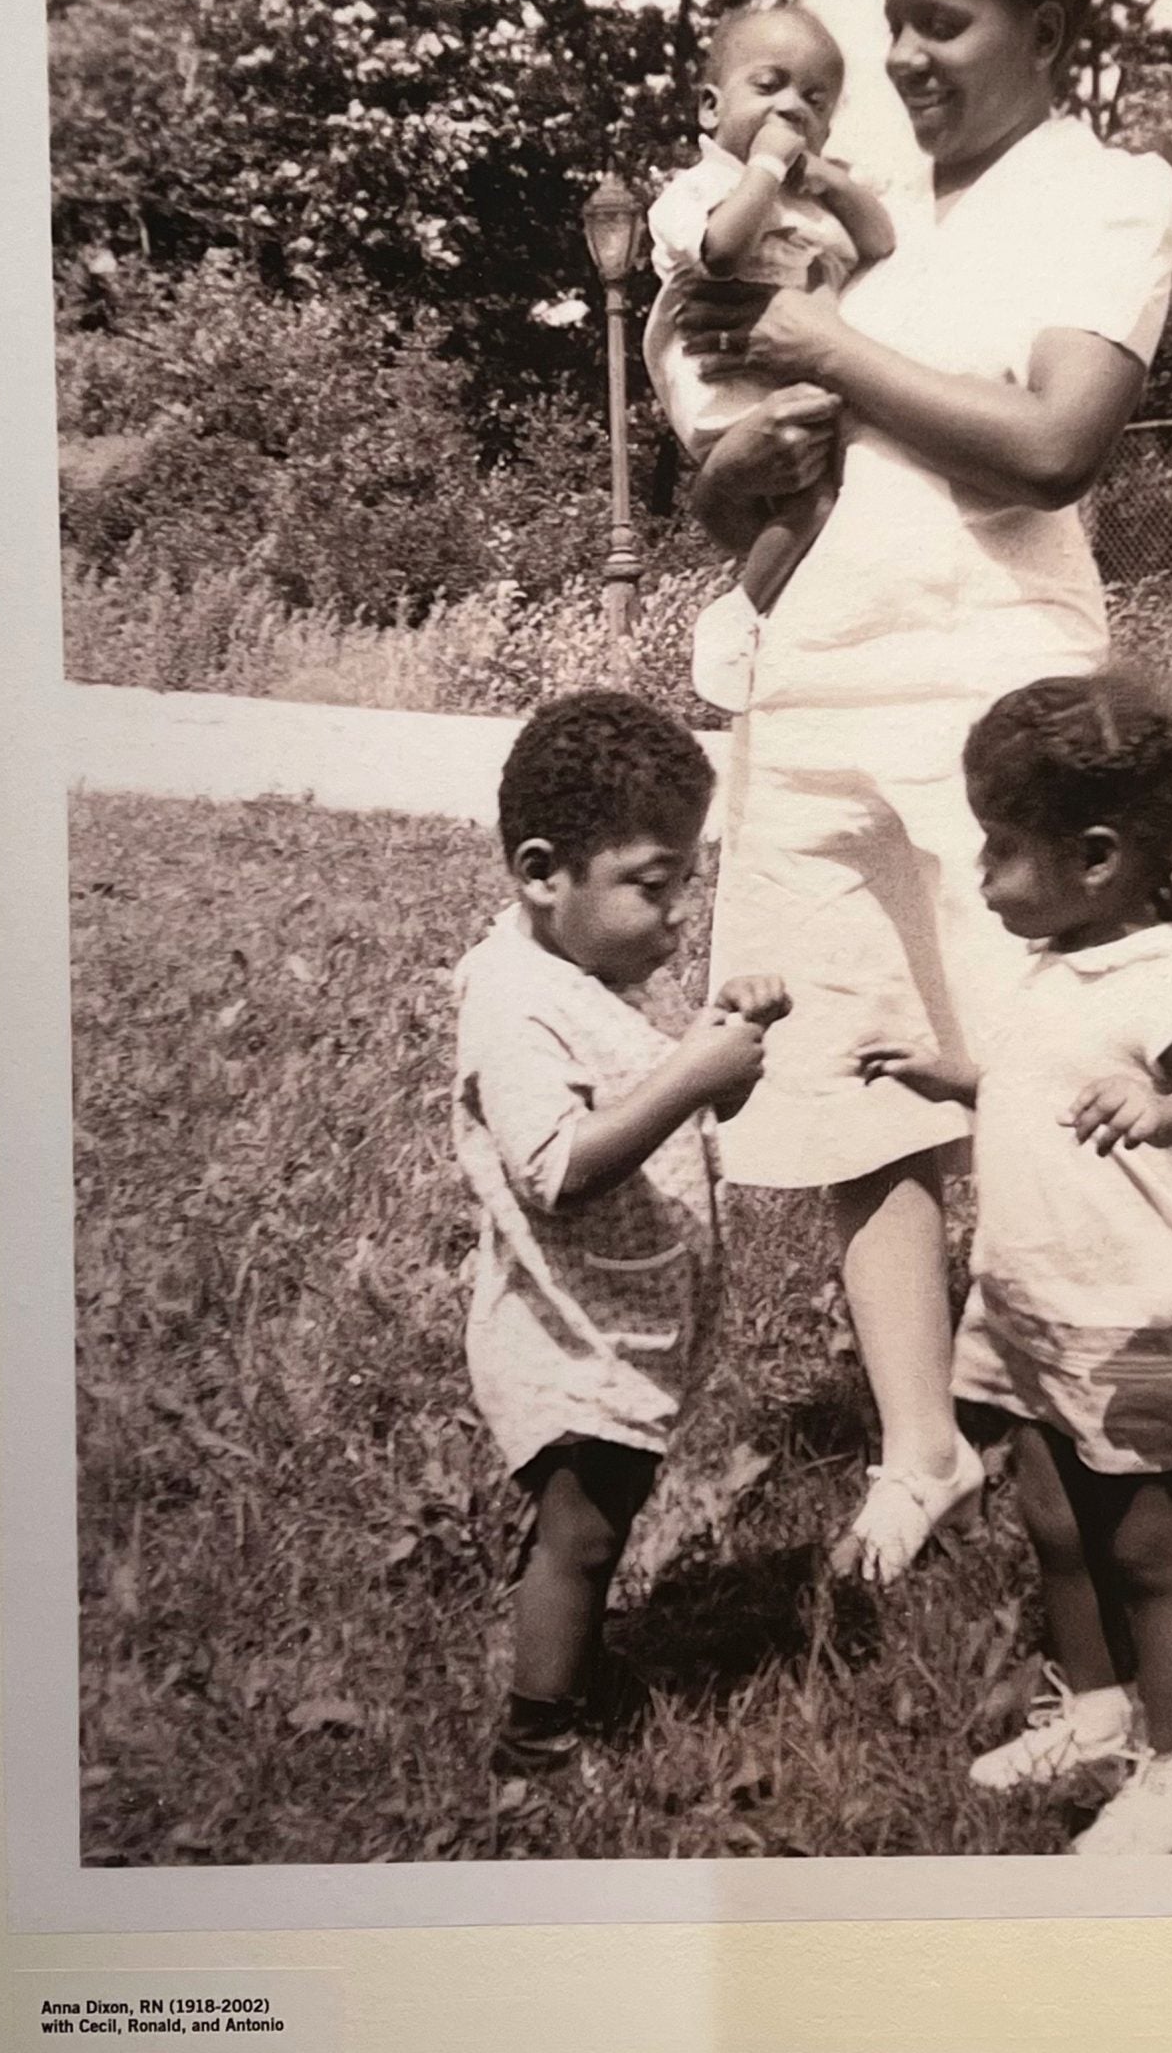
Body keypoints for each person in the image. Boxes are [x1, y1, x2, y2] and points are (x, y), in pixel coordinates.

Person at [677, 0, 1172, 1585]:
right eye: (890, 23)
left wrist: (832, 359)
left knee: (1053, 1081)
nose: (903, 58)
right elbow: (761, 490)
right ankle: (921, 1447)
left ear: (1047, 19)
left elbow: (1056, 441)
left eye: (941, 21)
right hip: (818, 674)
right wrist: (737, 465)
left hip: (996, 693)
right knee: (840, 1066)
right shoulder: (874, 234)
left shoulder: (1104, 189)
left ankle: (1121, 1466)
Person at [859, 672, 1172, 1854]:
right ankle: (1100, 1709)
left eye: (1001, 848)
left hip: (1137, 1317)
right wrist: (945, 1072)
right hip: (1034, 1303)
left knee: (1151, 1548)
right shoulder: (1056, 966)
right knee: (1054, 1517)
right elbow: (1029, 1081)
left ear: (1096, 857)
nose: (985, 874)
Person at [452, 690, 790, 1774]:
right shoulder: (514, 1003)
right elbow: (558, 1167)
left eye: (687, 880)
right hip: (566, 1341)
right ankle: (537, 1740)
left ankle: (568, 1650)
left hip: (619, 1323)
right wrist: (693, 1071)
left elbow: (669, 1097)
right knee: (585, 1530)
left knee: (597, 1520)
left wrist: (720, 1044)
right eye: (654, 884)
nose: (680, 913)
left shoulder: (585, 976)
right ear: (544, 873)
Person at [643, 2, 895, 712]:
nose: (792, 107)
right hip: (728, 391)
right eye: (769, 85)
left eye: (814, 100)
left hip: (794, 377)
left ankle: (764, 617)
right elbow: (722, 253)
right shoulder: (692, 192)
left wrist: (833, 182)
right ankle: (740, 613)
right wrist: (762, 166)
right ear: (709, 107)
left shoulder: (813, 206)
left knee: (829, 501)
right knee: (812, 496)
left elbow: (878, 243)